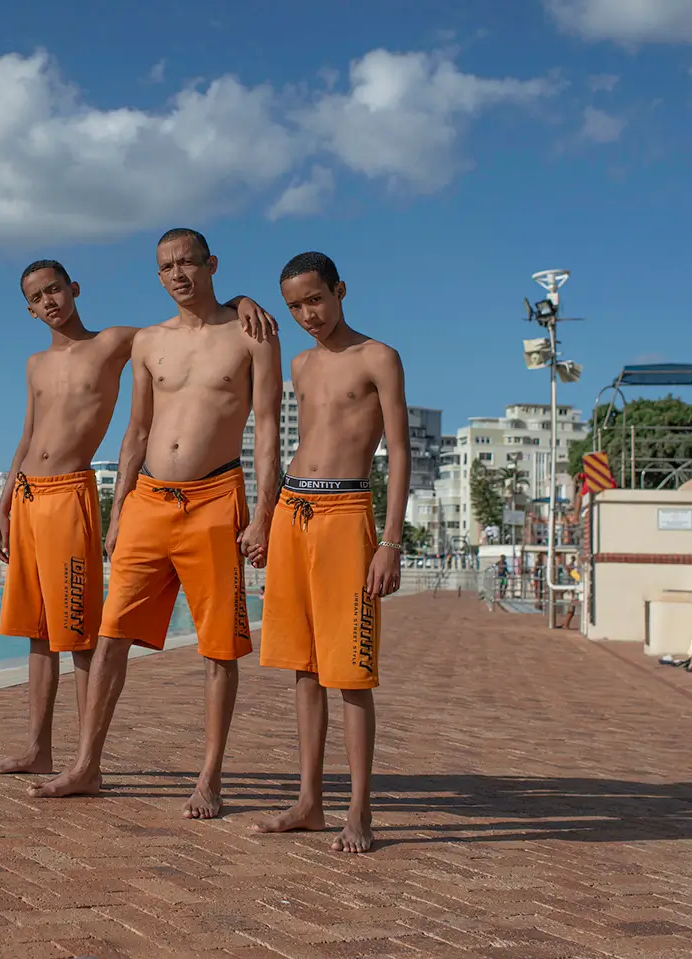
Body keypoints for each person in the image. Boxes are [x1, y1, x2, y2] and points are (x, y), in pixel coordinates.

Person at [0, 256, 277, 777]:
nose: (48, 302)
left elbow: (189, 326)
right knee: (38, 632)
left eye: (54, 290)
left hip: (73, 492)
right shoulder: (35, 365)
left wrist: (238, 302)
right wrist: (3, 506)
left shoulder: (116, 340)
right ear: (28, 310)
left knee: (80, 633)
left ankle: (83, 759)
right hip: (27, 493)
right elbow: (26, 438)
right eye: (36, 298)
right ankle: (39, 748)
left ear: (74, 287)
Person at [253, 251, 410, 854]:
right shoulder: (299, 362)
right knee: (304, 667)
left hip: (347, 514)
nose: (307, 314)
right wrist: (267, 520)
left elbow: (399, 452)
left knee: (351, 673)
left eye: (315, 300)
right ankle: (309, 802)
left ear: (340, 290)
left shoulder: (379, 357)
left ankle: (360, 811)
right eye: (294, 306)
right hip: (294, 510)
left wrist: (389, 541)